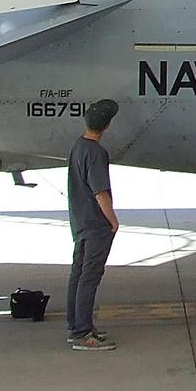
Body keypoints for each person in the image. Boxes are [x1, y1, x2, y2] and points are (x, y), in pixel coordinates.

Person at [67, 99, 122, 350]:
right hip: (96, 224)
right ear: (107, 126)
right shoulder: (97, 153)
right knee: (90, 277)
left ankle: (76, 326)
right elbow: (100, 192)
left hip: (80, 222)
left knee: (78, 274)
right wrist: (113, 220)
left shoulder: (78, 146)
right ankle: (82, 334)